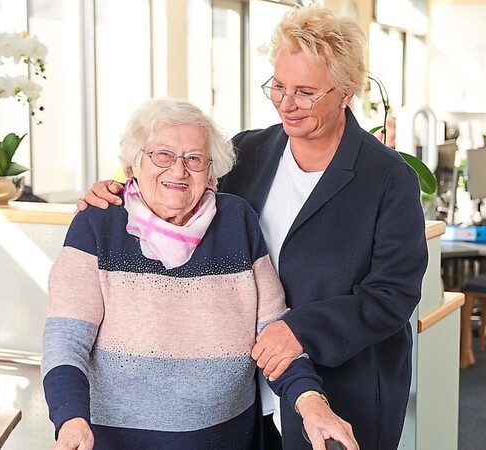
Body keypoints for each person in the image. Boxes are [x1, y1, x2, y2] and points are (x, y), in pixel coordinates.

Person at [79, 5, 428, 450]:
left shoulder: (388, 178)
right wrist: (115, 193)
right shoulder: (248, 152)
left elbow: (392, 296)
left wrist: (301, 328)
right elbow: (181, 196)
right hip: (247, 388)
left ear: (345, 92)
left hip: (343, 385)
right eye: (278, 86)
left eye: (305, 92)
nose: (286, 103)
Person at [42, 97, 358, 450]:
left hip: (229, 439)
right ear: (134, 162)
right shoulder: (97, 224)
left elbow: (272, 332)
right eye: (162, 155)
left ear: (210, 170)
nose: (178, 171)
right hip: (117, 442)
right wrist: (70, 420)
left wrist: (311, 402)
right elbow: (66, 342)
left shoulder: (237, 221)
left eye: (194, 159)